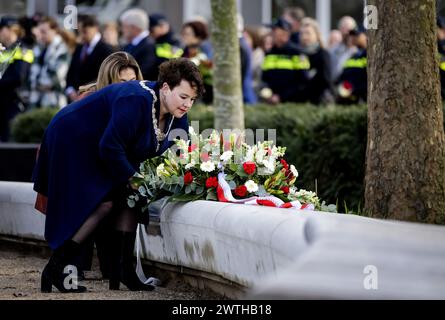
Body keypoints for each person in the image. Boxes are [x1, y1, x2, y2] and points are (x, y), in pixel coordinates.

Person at [32, 58, 204, 293]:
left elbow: (179, 152)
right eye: (183, 97)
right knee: (101, 203)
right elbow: (110, 147)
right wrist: (135, 179)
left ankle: (124, 271)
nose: (187, 105)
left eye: (192, 99)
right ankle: (56, 267)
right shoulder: (136, 99)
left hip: (103, 145)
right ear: (165, 87)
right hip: (73, 139)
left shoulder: (177, 114)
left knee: (131, 198)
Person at [65, 15, 114, 102]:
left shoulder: (107, 49)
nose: (81, 36)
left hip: (94, 99)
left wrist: (85, 92)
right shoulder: (79, 48)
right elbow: (71, 72)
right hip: (75, 100)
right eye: (79, 32)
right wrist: (70, 90)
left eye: (84, 32)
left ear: (95, 28)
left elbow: (105, 77)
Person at [261, 18, 310, 104]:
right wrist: (268, 93)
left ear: (285, 33)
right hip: (271, 103)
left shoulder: (296, 53)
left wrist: (281, 97)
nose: (271, 33)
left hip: (292, 103)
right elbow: (264, 78)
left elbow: (302, 82)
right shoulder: (269, 53)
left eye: (274, 30)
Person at [0, 16, 34, 141]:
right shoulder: (5, 50)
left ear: (7, 30)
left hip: (15, 103)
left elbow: (18, 77)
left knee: (11, 142)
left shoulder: (23, 49)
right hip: (3, 102)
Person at [28, 16, 71, 109]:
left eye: (44, 32)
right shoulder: (38, 48)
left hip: (54, 101)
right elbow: (32, 74)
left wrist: (42, 85)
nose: (41, 35)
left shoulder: (62, 49)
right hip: (37, 100)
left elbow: (58, 76)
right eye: (40, 31)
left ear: (54, 30)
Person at [299, 18, 333, 105]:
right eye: (302, 33)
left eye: (308, 33)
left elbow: (326, 81)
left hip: (319, 104)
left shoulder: (323, 54)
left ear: (317, 35)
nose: (304, 37)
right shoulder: (299, 54)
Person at [181, 20, 213, 104]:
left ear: (198, 36)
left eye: (187, 34)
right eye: (183, 33)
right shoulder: (186, 49)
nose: (183, 36)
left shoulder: (204, 50)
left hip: (202, 97)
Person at [120, 8, 157, 81]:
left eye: (124, 26)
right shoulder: (132, 44)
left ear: (133, 27)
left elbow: (145, 72)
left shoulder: (149, 45)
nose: (122, 30)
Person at [336, 29, 367, 104]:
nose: (353, 38)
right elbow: (342, 75)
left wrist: (354, 90)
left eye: (357, 36)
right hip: (346, 98)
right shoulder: (351, 54)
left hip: (363, 98)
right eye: (351, 36)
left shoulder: (369, 54)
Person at [149, 13, 183, 80]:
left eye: (164, 24)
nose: (163, 27)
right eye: (159, 25)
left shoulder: (175, 41)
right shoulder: (152, 41)